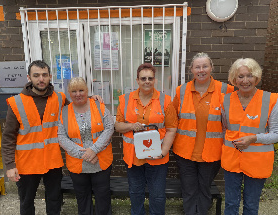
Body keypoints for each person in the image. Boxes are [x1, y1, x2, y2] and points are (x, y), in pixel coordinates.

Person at [1, 60, 67, 215]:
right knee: (26, 202)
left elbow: (77, 106)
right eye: (36, 75)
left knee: (55, 199)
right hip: (27, 164)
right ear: (29, 78)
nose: (41, 79)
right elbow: (8, 137)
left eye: (44, 75)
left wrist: (92, 98)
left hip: (53, 162)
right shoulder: (17, 102)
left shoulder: (60, 98)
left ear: (50, 76)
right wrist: (10, 165)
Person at [172, 52, 234, 215]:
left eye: (205, 66)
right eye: (197, 67)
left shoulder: (226, 90)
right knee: (189, 188)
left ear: (211, 68)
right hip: (184, 151)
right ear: (191, 70)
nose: (201, 70)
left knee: (205, 188)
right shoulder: (182, 90)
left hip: (212, 152)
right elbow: (172, 119)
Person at [115, 63, 178, 215]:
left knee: (157, 195)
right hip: (133, 156)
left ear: (155, 80)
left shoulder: (166, 101)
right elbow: (118, 126)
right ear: (137, 80)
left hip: (157, 157)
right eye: (143, 78)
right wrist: (131, 126)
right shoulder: (125, 99)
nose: (147, 81)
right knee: (136, 193)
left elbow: (172, 129)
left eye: (150, 78)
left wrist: (163, 152)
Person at [221, 58, 278, 215]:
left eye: (250, 76)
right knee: (231, 203)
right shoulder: (225, 100)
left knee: (251, 205)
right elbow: (223, 129)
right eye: (240, 76)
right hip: (231, 160)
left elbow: (276, 134)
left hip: (257, 161)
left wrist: (254, 138)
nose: (245, 81)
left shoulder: (271, 100)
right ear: (234, 79)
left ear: (257, 78)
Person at [58, 77, 114, 215]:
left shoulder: (99, 106)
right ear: (69, 93)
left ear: (87, 90)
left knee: (103, 196)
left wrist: (94, 150)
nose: (78, 94)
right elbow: (61, 136)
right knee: (82, 197)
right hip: (78, 164)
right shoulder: (64, 112)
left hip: (101, 162)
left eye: (81, 90)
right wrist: (85, 154)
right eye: (74, 91)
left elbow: (109, 128)